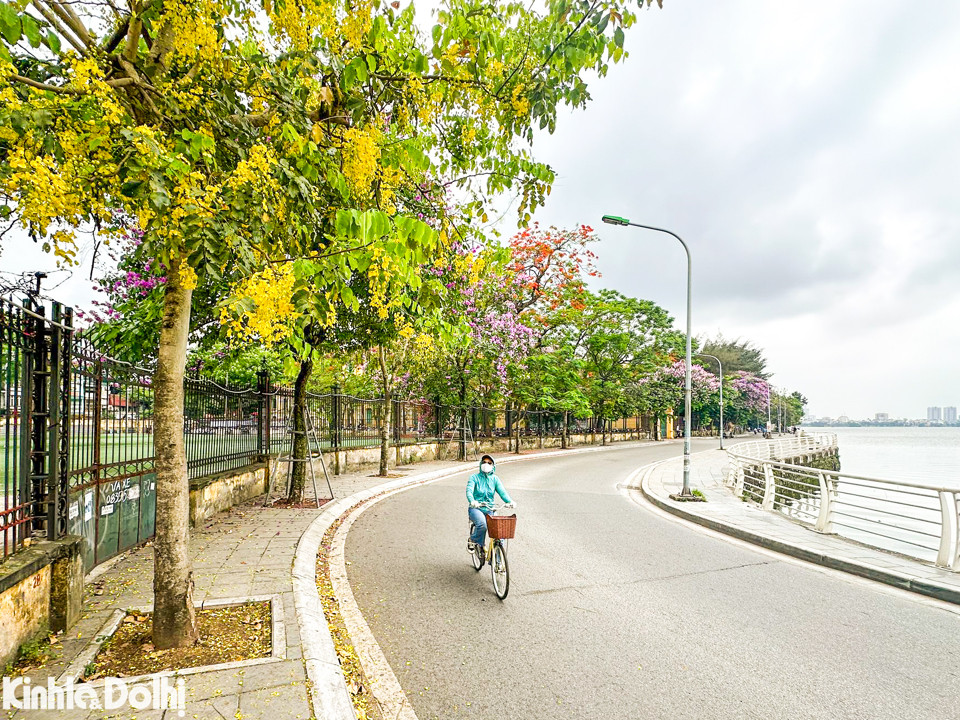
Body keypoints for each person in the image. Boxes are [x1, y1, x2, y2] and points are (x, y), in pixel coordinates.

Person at [466, 454, 515, 552]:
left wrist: (510, 501)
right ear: (480, 464)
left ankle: (498, 560)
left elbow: (502, 492)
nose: (486, 464)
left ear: (493, 466)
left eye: (489, 463)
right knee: (482, 525)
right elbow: (469, 491)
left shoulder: (495, 479)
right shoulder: (474, 477)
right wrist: (472, 501)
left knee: (500, 530)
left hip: (490, 509)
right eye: (484, 462)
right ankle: (473, 540)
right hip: (476, 508)